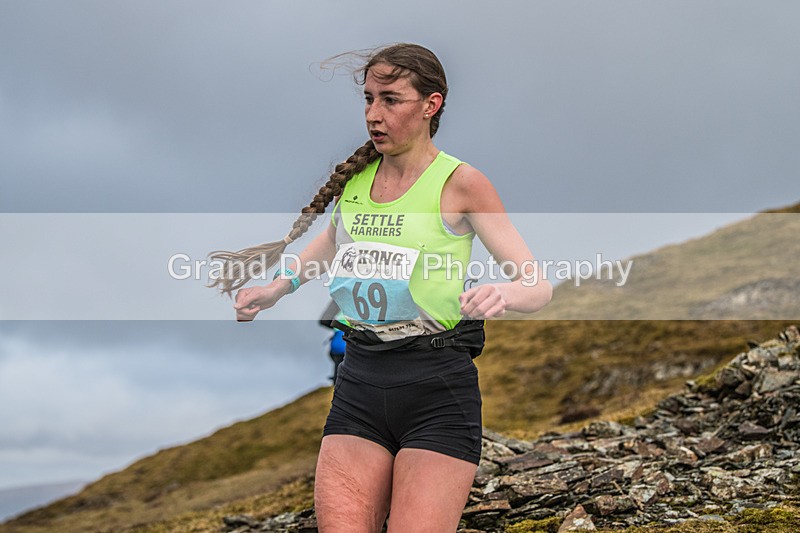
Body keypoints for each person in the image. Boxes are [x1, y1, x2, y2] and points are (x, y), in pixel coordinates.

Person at [209, 43, 552, 533]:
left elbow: (537, 287)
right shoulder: (359, 180)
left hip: (437, 389)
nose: (374, 114)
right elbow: (330, 244)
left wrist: (506, 293)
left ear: (430, 105)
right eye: (368, 99)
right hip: (360, 383)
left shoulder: (461, 183)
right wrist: (276, 288)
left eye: (390, 100)